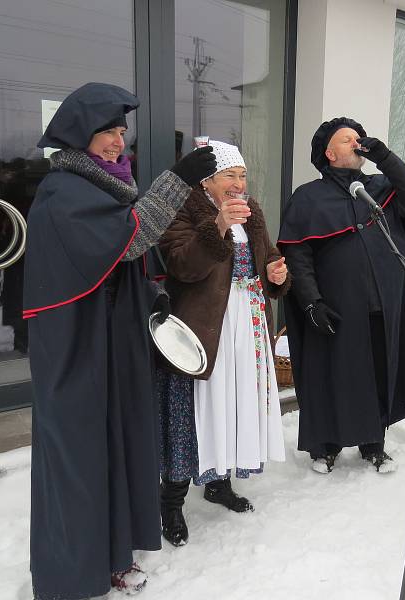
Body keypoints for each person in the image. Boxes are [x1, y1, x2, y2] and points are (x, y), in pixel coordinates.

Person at [23, 82, 216, 599]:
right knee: (81, 460)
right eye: (106, 130)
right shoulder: (64, 191)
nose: (118, 140)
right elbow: (131, 237)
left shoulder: (107, 185)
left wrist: (149, 295)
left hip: (109, 345)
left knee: (116, 448)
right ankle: (72, 574)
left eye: (121, 130)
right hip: (77, 353)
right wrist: (177, 181)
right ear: (79, 135)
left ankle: (112, 557)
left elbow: (122, 259)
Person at [156, 142, 289, 547]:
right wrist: (215, 225)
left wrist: (277, 275)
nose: (239, 183)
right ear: (207, 181)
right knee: (194, 411)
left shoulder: (252, 211)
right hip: (205, 327)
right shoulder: (184, 210)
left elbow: (267, 258)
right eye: (229, 176)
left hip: (246, 322)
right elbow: (182, 266)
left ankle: (219, 483)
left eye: (243, 175)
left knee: (232, 404)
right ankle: (172, 500)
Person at [278, 117, 405, 473]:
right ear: (330, 153)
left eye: (359, 138)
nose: (357, 142)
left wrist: (384, 156)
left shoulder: (380, 187)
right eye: (348, 140)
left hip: (382, 302)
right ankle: (326, 446)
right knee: (333, 373)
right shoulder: (308, 197)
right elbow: (297, 256)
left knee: (377, 370)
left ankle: (373, 443)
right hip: (337, 306)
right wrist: (311, 301)